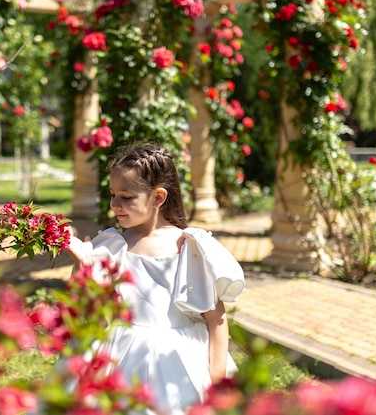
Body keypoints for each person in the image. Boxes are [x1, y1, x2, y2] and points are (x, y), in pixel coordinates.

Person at [67, 143, 246, 414]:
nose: (115, 204)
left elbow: (217, 322)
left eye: (126, 197)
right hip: (120, 360)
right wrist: (81, 266)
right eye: (113, 194)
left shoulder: (191, 249)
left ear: (158, 197)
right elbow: (88, 312)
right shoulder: (113, 245)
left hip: (179, 365)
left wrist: (217, 383)